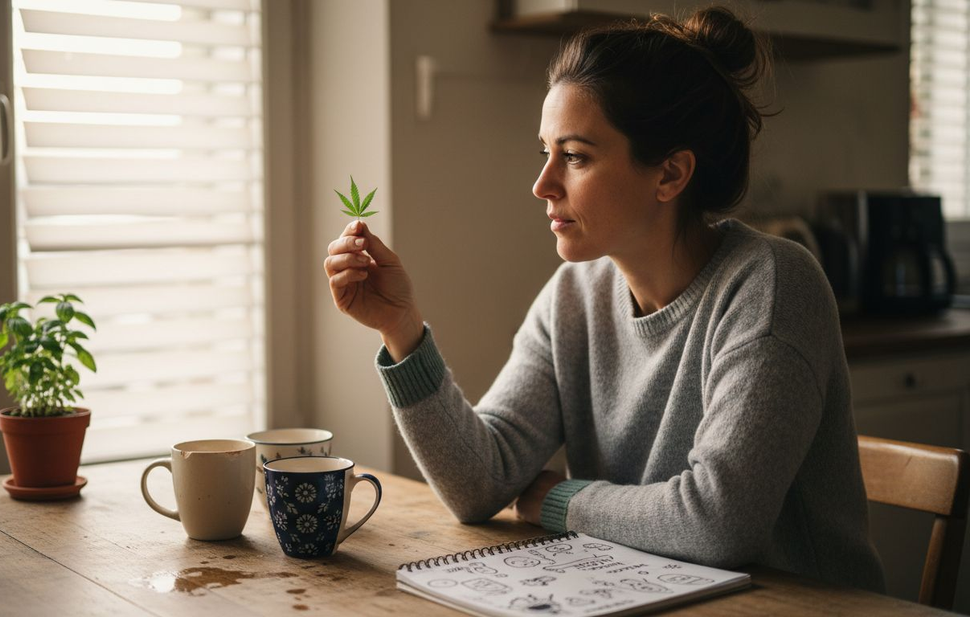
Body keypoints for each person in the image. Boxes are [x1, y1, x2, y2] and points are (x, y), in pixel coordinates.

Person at [323, 6, 884, 592]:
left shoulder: (771, 286)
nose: (542, 184)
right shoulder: (574, 296)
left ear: (670, 175)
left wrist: (558, 499)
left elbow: (719, 525)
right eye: (545, 152)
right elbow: (480, 483)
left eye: (575, 156)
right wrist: (401, 329)